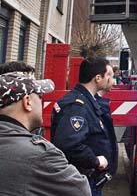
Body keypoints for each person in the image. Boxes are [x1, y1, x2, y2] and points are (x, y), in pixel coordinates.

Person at [0, 72, 90, 195]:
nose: (42, 102)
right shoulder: (41, 156)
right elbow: (81, 191)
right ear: (27, 102)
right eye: (40, 96)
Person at [51, 57, 117, 195]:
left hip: (87, 180)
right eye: (109, 75)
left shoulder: (87, 100)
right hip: (82, 180)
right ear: (98, 78)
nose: (112, 80)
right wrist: (95, 161)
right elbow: (69, 144)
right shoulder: (77, 106)